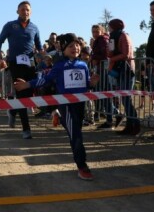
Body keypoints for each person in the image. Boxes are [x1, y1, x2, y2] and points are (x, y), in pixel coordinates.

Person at [14, 33, 99, 180]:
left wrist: (92, 83)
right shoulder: (59, 66)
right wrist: (27, 84)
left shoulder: (83, 65)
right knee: (76, 136)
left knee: (76, 130)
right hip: (67, 105)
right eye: (71, 46)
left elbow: (86, 86)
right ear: (63, 49)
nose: (75, 48)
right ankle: (82, 165)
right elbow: (45, 80)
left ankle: (59, 117)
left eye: (77, 45)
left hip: (80, 105)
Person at [0, 0, 44, 139]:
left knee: (28, 94)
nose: (25, 12)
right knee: (22, 94)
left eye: (27, 9)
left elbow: (39, 46)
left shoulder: (35, 27)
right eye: (22, 9)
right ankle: (26, 129)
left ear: (31, 11)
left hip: (30, 64)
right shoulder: (10, 25)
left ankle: (13, 111)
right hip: (15, 64)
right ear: (17, 11)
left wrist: (42, 54)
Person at [107, 19, 140, 135]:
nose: (108, 29)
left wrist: (112, 59)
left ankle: (134, 124)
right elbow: (110, 53)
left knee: (126, 98)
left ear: (114, 26)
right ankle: (130, 125)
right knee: (124, 98)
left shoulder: (123, 36)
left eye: (110, 26)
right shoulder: (113, 37)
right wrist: (110, 47)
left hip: (126, 70)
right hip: (119, 70)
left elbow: (126, 54)